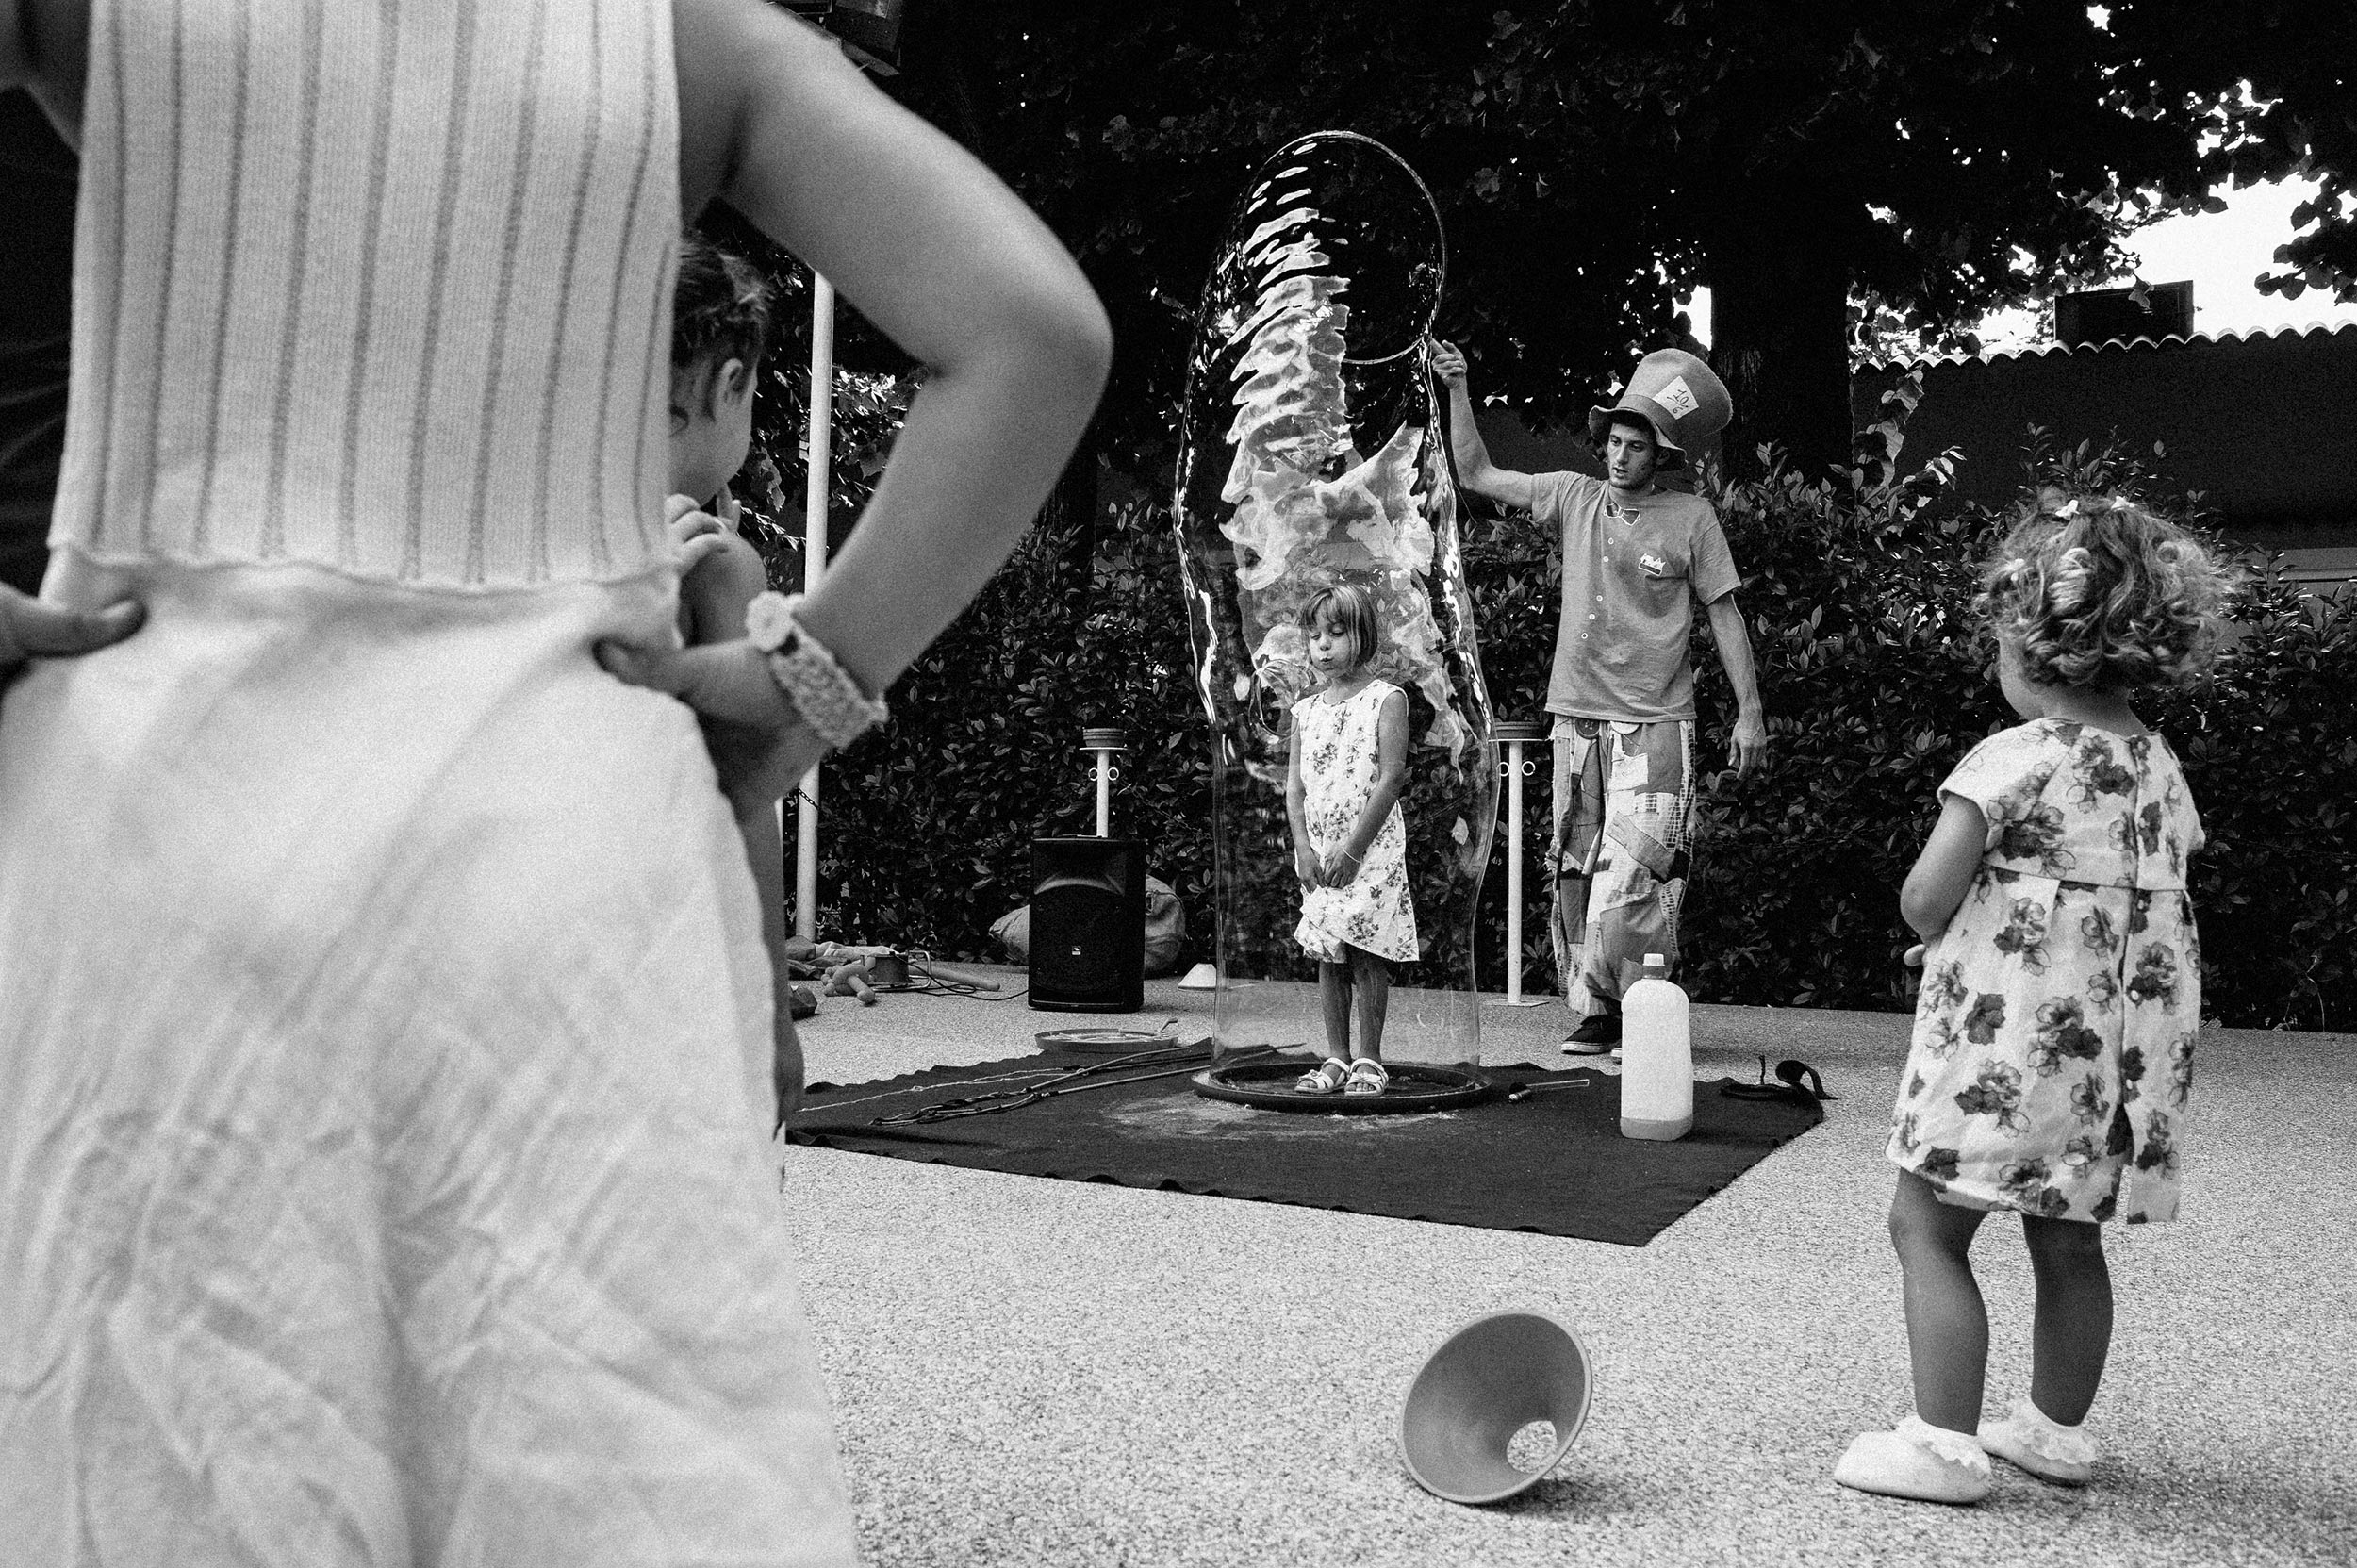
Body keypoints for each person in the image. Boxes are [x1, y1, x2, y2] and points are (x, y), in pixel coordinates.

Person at [0, 3, 1109, 1565]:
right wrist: (807, 685)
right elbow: (1033, 335)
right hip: (557, 849)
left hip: (161, 809)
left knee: (163, 1440)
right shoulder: (686, 38)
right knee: (592, 1446)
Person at [1834, 495, 2229, 1505]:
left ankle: (1941, 1443)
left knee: (1925, 1223)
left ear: (2036, 649)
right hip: (2112, 1072)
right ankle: (2053, 1432)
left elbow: (1925, 901)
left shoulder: (2014, 758)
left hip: (2007, 1058)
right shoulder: (2162, 771)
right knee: (2065, 1235)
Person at [1433, 341, 1767, 1054]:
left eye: (1635, 446)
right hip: (1576, 721)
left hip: (1655, 723)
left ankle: (1642, 1007)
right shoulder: (1574, 495)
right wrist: (1459, 383)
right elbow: (1475, 472)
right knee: (1578, 869)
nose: (1618, 456)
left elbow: (1725, 614)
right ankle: (1598, 1012)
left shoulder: (1692, 517)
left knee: (1639, 871)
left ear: (1661, 455)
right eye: (1613, 441)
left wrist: (1750, 712)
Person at [663, 230, 805, 1123]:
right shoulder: (718, 564)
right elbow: (748, 797)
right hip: (680, 947)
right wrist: (774, 1017)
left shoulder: (541, 541)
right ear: (728, 384)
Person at [1285, 583, 1416, 1097]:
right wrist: (1302, 848)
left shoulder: (1387, 699)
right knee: (1327, 952)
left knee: (1366, 951)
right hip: (1320, 851)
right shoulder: (1305, 711)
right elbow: (1294, 788)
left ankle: (1369, 1057)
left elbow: (1392, 775)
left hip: (1370, 849)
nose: (1322, 645)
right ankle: (1336, 1055)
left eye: (1335, 633)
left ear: (1362, 636)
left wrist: (1354, 849)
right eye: (1314, 635)